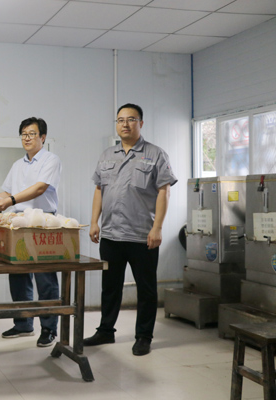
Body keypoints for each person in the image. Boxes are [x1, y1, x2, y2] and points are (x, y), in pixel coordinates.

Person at [84, 103, 177, 356]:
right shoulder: (107, 155)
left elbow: (164, 191)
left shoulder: (156, 154)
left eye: (131, 119)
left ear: (141, 123)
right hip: (111, 234)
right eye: (120, 120)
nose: (125, 124)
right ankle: (106, 331)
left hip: (142, 236)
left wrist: (157, 228)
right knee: (110, 287)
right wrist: (94, 222)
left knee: (146, 289)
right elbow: (99, 190)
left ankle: (144, 336)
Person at [0, 117, 62, 348]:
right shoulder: (17, 165)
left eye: (32, 134)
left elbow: (40, 188)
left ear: (43, 137)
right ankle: (23, 324)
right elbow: (6, 193)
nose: (27, 138)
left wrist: (11, 200)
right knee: (18, 275)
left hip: (42, 223)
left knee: (45, 278)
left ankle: (49, 328)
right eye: (24, 134)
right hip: (18, 222)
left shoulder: (51, 160)